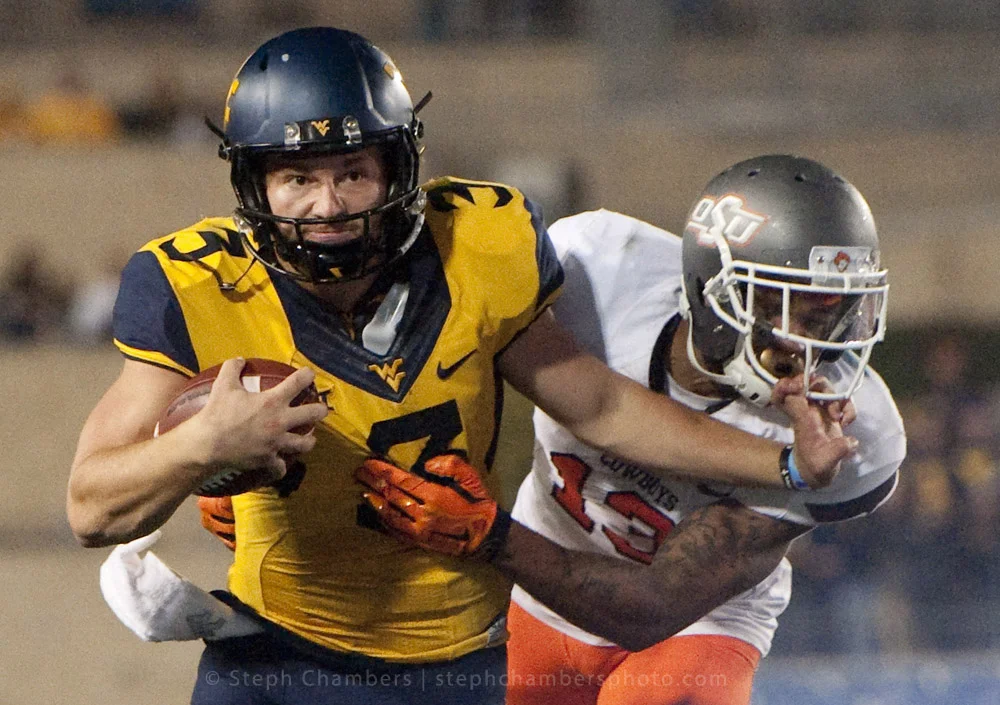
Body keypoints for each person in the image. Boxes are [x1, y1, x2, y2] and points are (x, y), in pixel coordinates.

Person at [67, 25, 851, 705]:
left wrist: (784, 461)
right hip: (278, 652)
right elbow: (90, 509)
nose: (328, 204)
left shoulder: (482, 243)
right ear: (254, 183)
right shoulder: (198, 284)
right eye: (298, 177)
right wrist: (200, 448)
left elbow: (600, 407)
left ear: (398, 169)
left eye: (352, 172)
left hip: (458, 662)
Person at [356, 155, 907, 705]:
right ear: (714, 291)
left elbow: (652, 609)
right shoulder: (593, 270)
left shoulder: (850, 434)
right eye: (789, 307)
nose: (815, 344)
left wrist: (486, 534)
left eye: (832, 314)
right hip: (539, 584)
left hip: (696, 622)